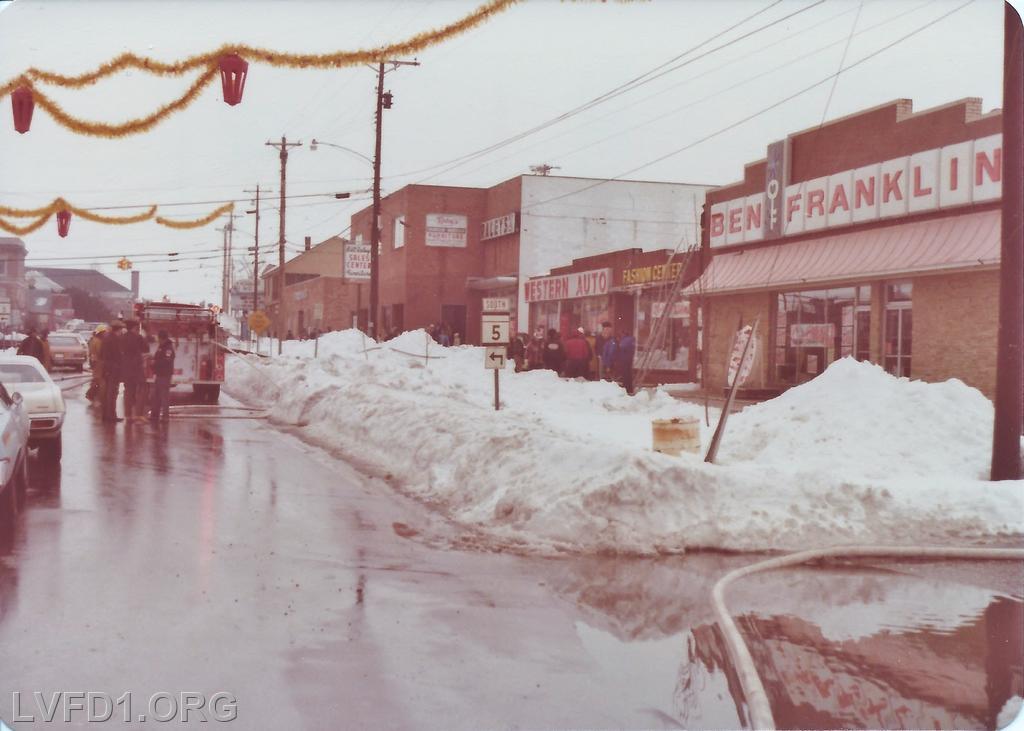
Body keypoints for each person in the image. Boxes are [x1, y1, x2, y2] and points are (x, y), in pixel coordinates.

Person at [121, 320, 148, 421]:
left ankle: (128, 415)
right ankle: (138, 414)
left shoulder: (122, 337)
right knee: (142, 389)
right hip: (136, 368)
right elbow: (146, 348)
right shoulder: (138, 337)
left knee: (128, 391)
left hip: (126, 368)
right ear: (134, 327)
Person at [101, 321, 125, 422]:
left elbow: (101, 354)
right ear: (118, 330)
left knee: (108, 392)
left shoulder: (106, 339)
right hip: (114, 369)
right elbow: (118, 355)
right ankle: (111, 416)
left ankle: (106, 415)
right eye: (120, 330)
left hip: (107, 368)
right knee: (112, 392)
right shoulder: (115, 340)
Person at [149, 330, 175, 421]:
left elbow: (166, 361)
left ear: (162, 338)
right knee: (156, 395)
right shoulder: (161, 347)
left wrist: (155, 363)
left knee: (164, 396)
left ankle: (165, 416)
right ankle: (154, 415)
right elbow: (158, 357)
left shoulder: (168, 348)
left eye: (159, 338)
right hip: (159, 374)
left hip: (165, 375)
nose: (158, 340)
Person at [86, 325, 107, 404]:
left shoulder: (93, 340)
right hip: (99, 363)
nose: (105, 334)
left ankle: (92, 395)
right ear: (101, 333)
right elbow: (100, 352)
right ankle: (92, 395)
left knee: (96, 380)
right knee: (100, 381)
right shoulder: (98, 341)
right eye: (104, 332)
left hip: (95, 362)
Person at [615, 329, 637, 395]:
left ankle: (627, 388)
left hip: (624, 360)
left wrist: (618, 342)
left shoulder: (626, 340)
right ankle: (629, 388)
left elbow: (621, 346)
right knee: (628, 374)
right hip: (629, 360)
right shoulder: (631, 340)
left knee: (625, 375)